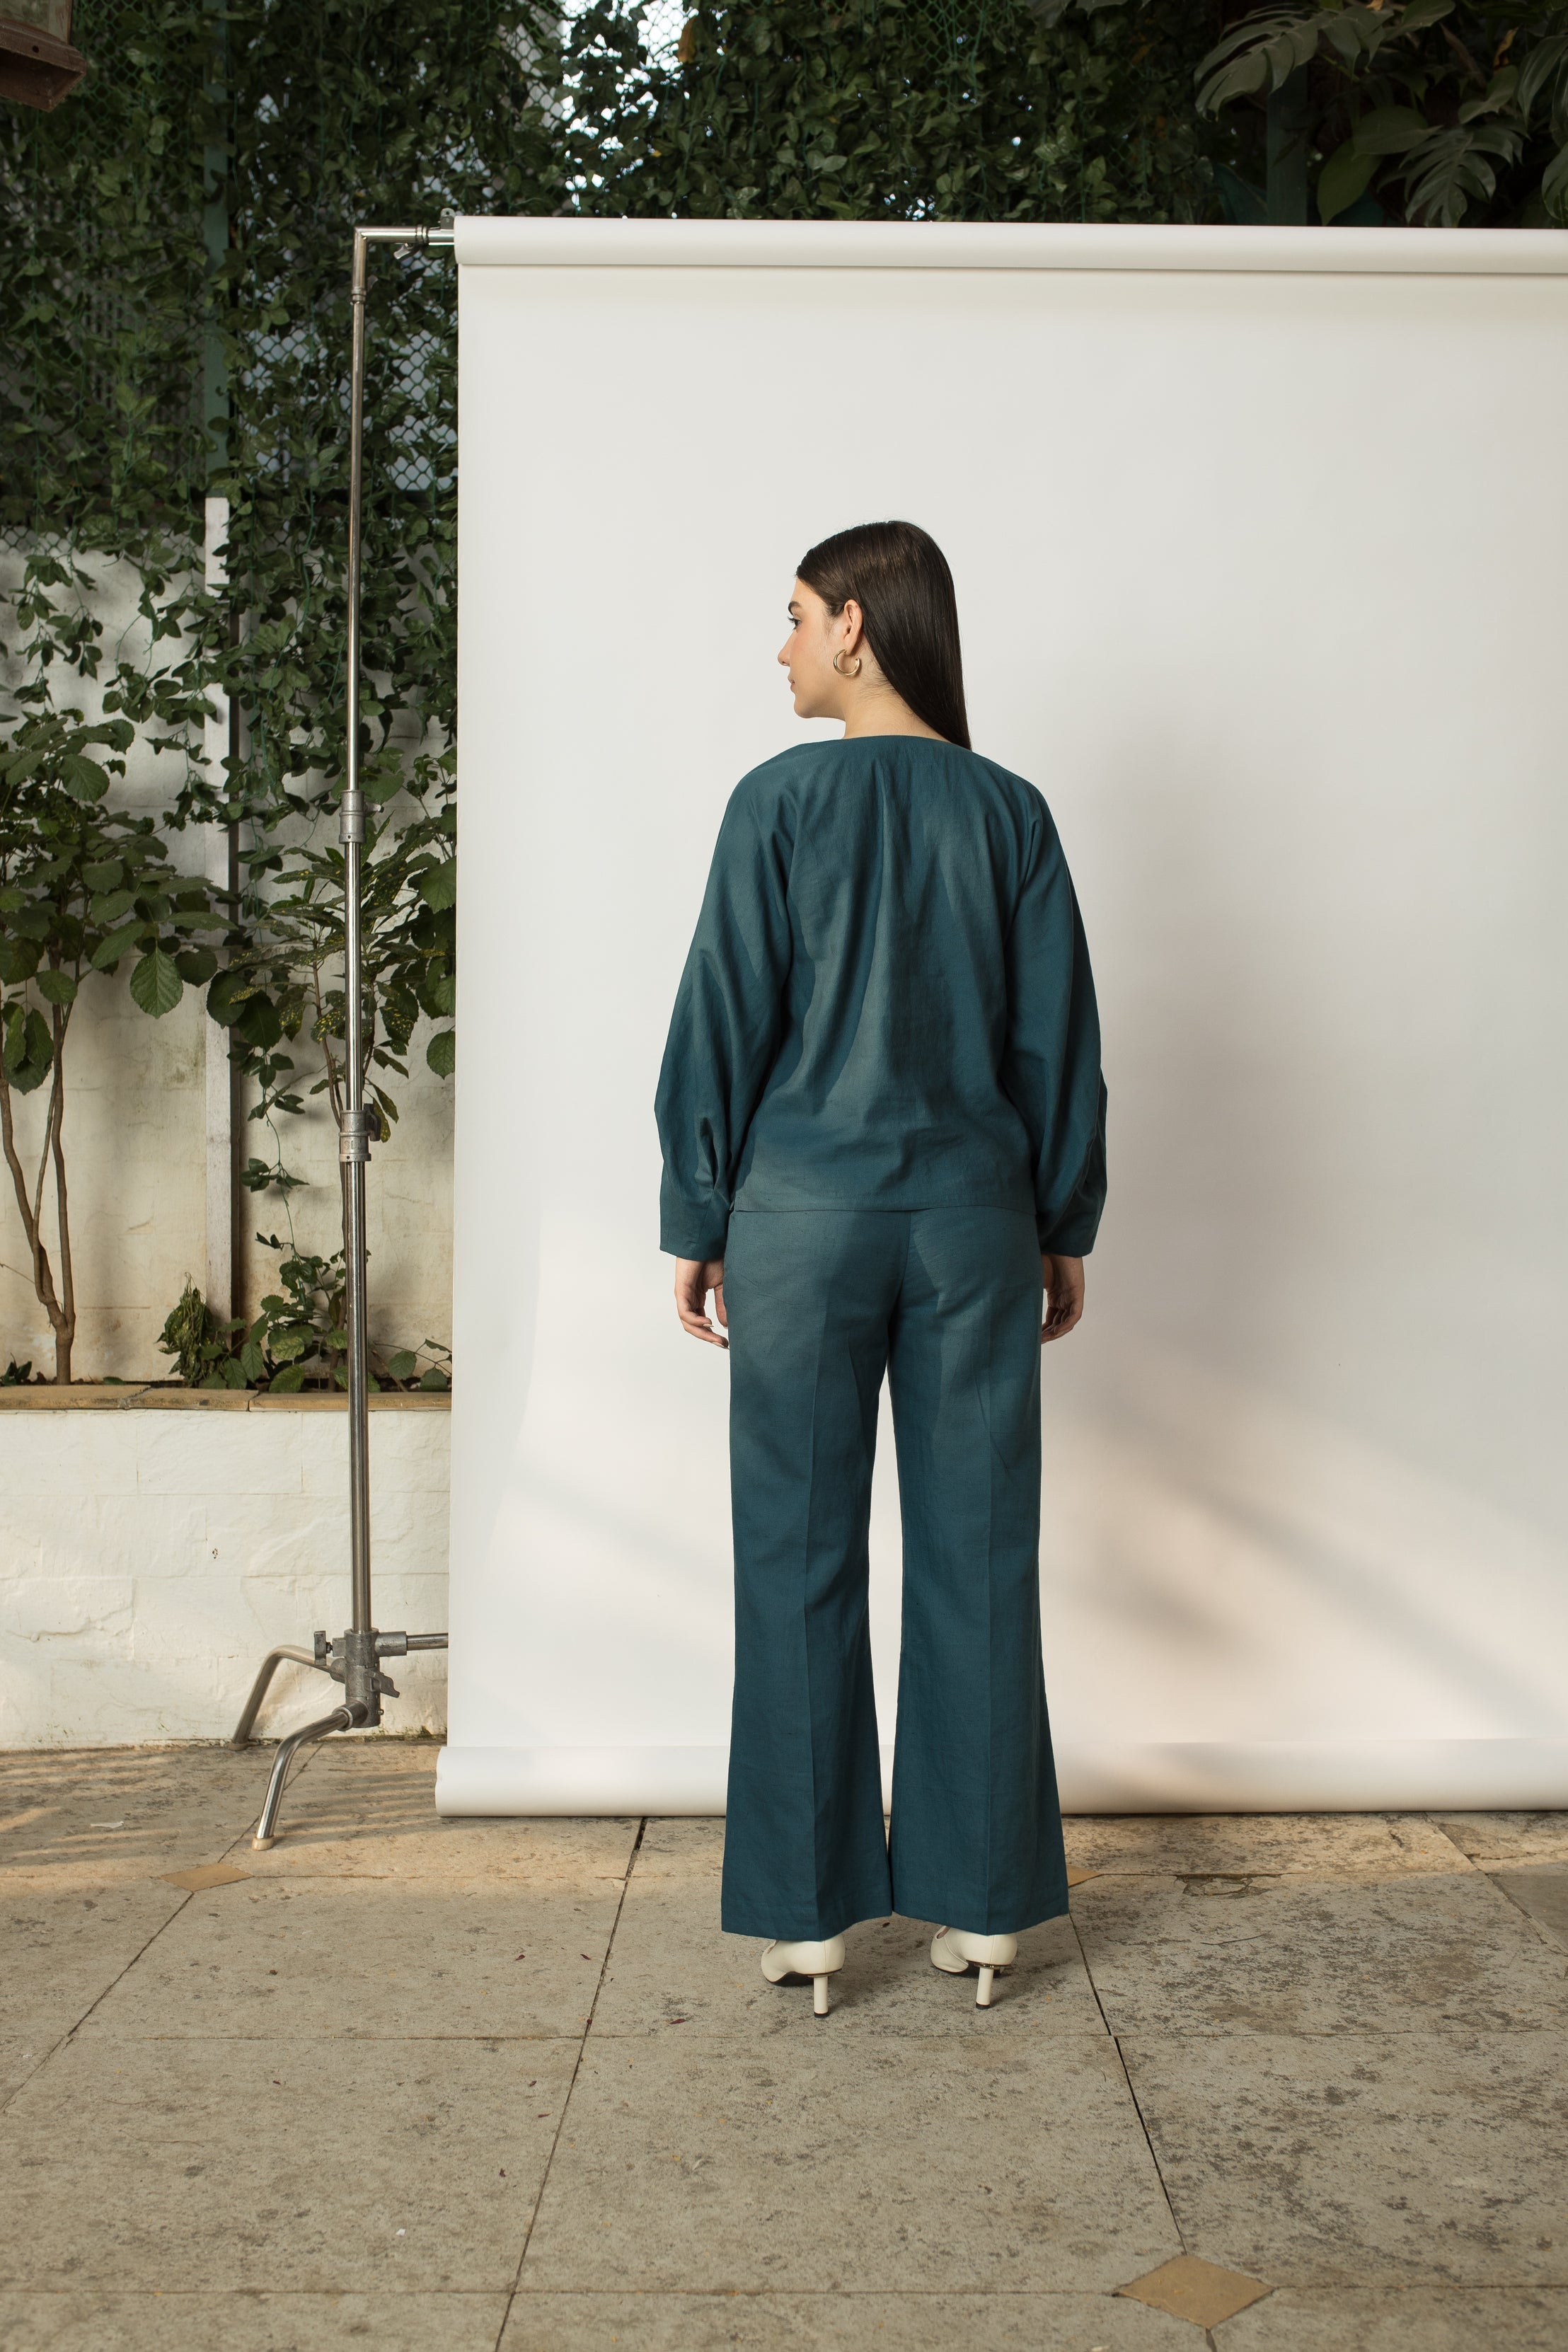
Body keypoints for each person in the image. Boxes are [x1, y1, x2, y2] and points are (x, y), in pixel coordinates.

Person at [655, 520, 1106, 2016]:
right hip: (973, 1221)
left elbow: (722, 1017)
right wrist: (1061, 1219)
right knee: (981, 1555)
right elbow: (1056, 1038)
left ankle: (807, 1920)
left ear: (856, 626)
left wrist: (695, 1213)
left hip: (800, 1224)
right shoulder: (1009, 812)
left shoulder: (775, 803)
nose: (781, 646)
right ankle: (986, 1911)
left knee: (795, 1556)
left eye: (795, 616)